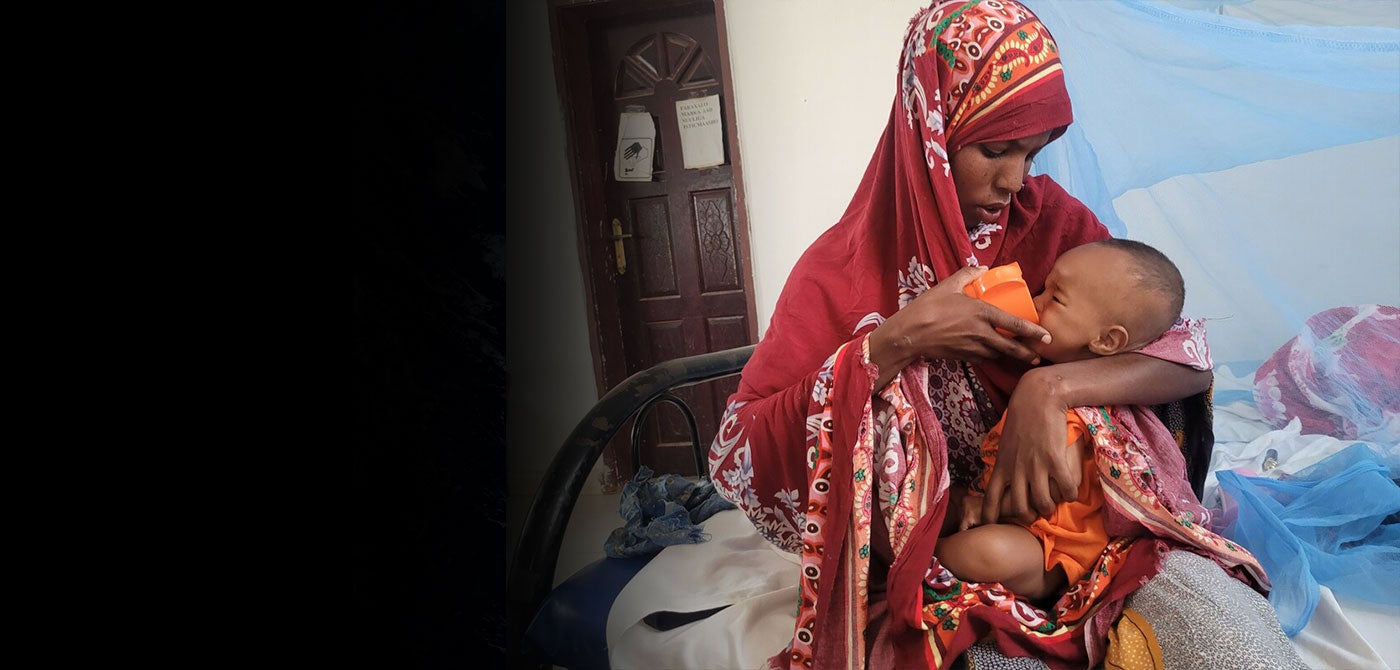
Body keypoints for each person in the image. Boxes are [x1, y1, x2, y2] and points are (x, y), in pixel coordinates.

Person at [705, 1, 1269, 668]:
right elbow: (741, 451)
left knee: (1228, 639)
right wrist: (896, 343)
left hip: (1106, 536)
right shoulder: (839, 273)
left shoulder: (1054, 227)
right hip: (953, 561)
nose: (1016, 180)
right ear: (929, 132)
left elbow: (1186, 359)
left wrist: (1050, 389)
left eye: (1032, 152)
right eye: (995, 149)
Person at [934, 238, 1189, 604]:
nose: (1035, 300)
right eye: (1044, 288)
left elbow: (1048, 492)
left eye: (1054, 298)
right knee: (930, 505)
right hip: (1009, 519)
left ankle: (922, 564)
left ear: (1106, 340)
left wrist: (980, 506)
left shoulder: (1078, 414)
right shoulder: (1048, 386)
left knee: (985, 552)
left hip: (1052, 547)